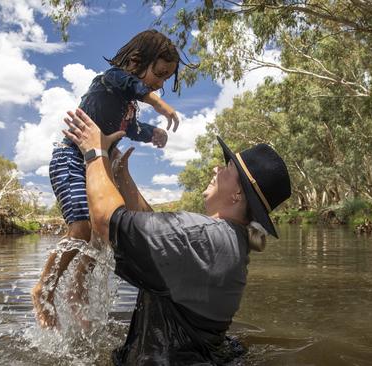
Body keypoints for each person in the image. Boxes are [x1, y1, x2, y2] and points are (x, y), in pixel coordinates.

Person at [62, 108, 292, 365]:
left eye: (227, 168)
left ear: (238, 193)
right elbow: (152, 232)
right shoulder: (227, 239)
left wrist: (94, 152)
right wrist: (121, 176)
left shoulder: (202, 237)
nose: (217, 168)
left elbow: (107, 222)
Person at [33, 30, 183, 328]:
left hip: (94, 167)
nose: (161, 83)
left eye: (166, 79)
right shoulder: (110, 79)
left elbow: (131, 128)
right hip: (70, 159)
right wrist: (157, 103)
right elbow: (130, 84)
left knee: (103, 233)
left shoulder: (126, 106)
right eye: (161, 74)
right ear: (136, 61)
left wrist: (152, 132)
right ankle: (43, 291)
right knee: (82, 227)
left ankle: (77, 288)